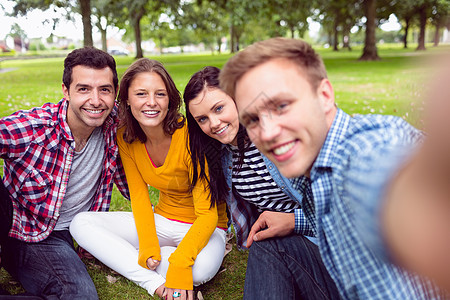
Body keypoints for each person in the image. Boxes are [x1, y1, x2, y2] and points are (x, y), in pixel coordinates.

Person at [219, 37, 447, 299]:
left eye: (281, 106)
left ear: (325, 95)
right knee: (270, 245)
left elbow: (380, 182)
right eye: (253, 119)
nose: (268, 132)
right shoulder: (309, 169)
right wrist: (295, 221)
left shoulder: (362, 156)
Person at [69, 58, 228, 300]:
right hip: (162, 219)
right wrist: (149, 244)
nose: (151, 103)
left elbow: (207, 215)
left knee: (198, 271)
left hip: (206, 228)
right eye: (141, 94)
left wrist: (182, 261)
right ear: (127, 100)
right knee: (81, 224)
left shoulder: (191, 135)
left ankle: (130, 256)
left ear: (170, 100)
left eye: (160, 94)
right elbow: (140, 198)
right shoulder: (125, 137)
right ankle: (154, 282)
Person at [183, 66, 340, 299]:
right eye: (202, 119)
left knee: (269, 243)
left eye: (219, 108)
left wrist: (293, 222)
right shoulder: (223, 155)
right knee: (266, 242)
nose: (214, 123)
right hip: (297, 255)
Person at [0, 47, 129, 299]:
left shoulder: (116, 123)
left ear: (115, 93)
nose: (95, 100)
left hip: (83, 232)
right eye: (83, 89)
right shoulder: (35, 128)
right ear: (65, 91)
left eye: (104, 89)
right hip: (28, 234)